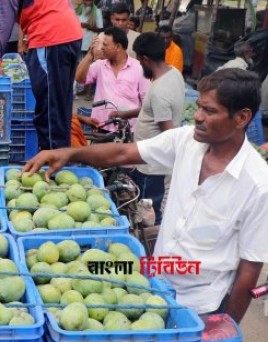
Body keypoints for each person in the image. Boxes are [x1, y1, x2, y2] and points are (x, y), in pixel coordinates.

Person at [24, 68, 268, 324]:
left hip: (200, 304)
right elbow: (124, 154)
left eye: (209, 111)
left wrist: (227, 326)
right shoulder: (186, 140)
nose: (197, 117)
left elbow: (250, 268)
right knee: (83, 273)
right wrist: (69, 154)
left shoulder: (258, 185)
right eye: (198, 107)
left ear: (241, 117)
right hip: (153, 274)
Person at [0, 0, 82, 150]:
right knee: (60, 106)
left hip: (50, 36)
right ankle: (60, 157)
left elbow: (5, 14)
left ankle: (53, 162)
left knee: (49, 109)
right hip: (70, 33)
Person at [128, 32, 185, 225]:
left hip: (151, 165)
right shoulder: (174, 73)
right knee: (150, 204)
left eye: (138, 59)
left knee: (147, 212)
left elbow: (168, 131)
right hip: (151, 161)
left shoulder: (160, 90)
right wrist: (124, 114)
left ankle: (148, 240)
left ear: (145, 59)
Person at [75, 27, 149, 132]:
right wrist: (90, 54)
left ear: (118, 46)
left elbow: (147, 104)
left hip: (128, 130)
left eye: (105, 45)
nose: (101, 48)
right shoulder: (99, 65)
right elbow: (79, 79)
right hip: (100, 126)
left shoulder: (139, 68)